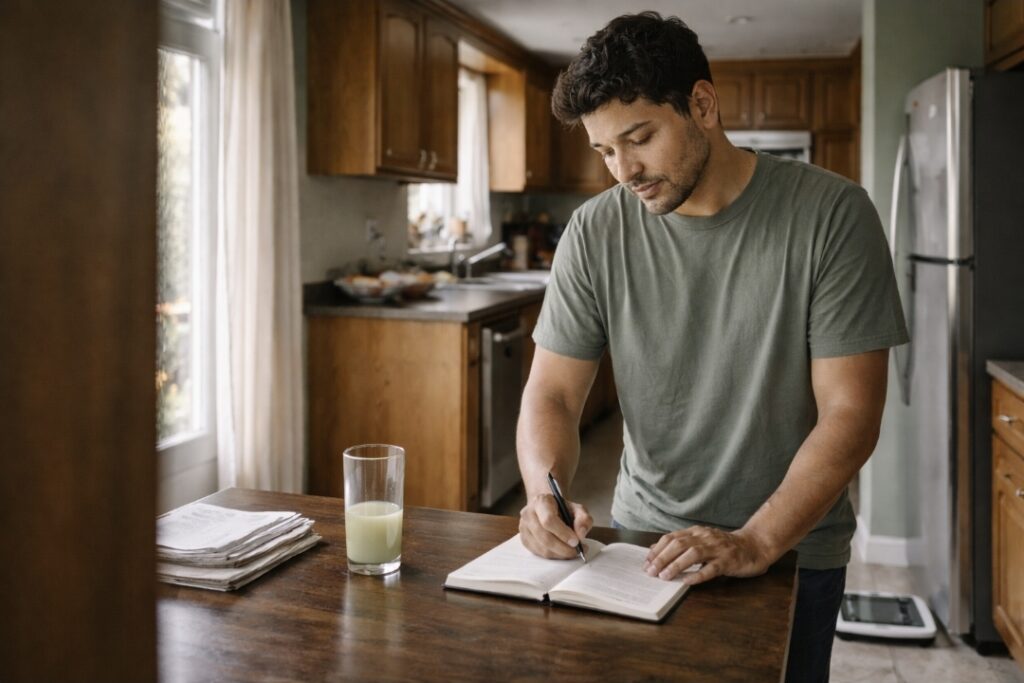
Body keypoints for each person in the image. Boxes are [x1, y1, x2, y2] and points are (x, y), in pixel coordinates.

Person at [515, 12, 908, 683]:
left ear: (702, 104)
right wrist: (542, 492)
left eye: (638, 139)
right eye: (605, 151)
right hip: (643, 545)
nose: (623, 171)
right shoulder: (593, 232)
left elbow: (852, 413)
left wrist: (756, 540)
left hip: (789, 553)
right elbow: (552, 390)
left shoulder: (834, 216)